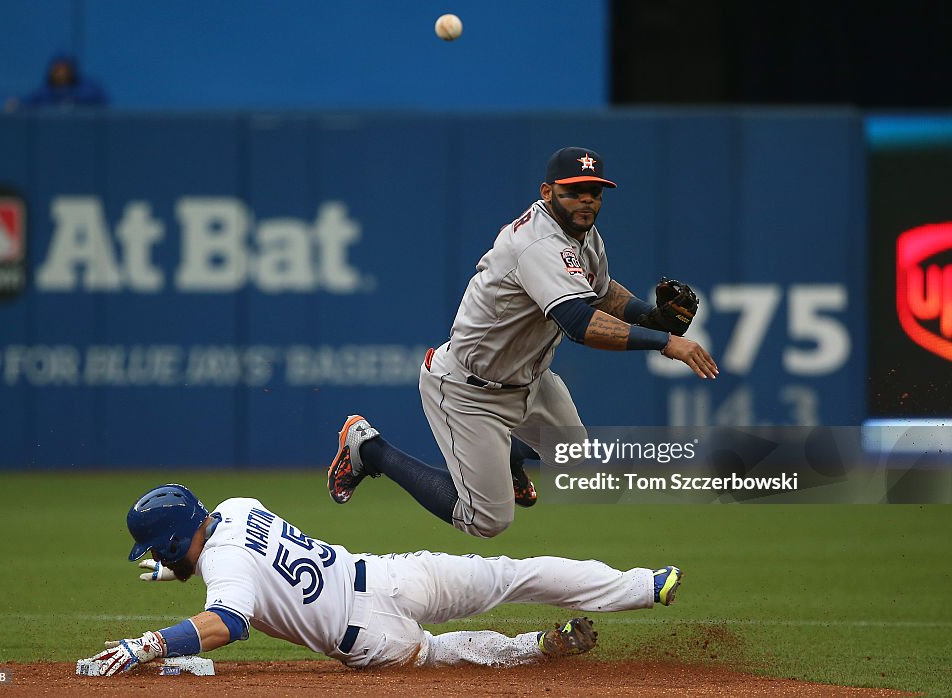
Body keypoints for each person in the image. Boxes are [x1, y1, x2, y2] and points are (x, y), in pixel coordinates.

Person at [328, 146, 719, 538]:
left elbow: (600, 293)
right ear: (547, 192)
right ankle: (369, 448)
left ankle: (510, 457)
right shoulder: (538, 243)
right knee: (485, 521)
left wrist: (650, 316)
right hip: (469, 390)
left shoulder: (583, 234)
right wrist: (664, 341)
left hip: (530, 379)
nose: (587, 199)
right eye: (575, 190)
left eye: (594, 191)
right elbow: (579, 322)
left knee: (573, 456)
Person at [80, 483, 684, 674]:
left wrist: (149, 643)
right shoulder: (235, 509)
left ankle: (532, 648)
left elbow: (230, 621)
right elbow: (230, 558)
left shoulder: (224, 571)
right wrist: (176, 568)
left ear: (168, 540)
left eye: (158, 553)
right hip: (392, 576)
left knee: (443, 656)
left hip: (366, 637)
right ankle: (642, 586)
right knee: (512, 574)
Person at [7, 52, 108, 110]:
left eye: (64, 69)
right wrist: (17, 104)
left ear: (71, 70)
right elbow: (26, 103)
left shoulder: (87, 90)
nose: (60, 73)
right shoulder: (44, 92)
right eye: (56, 69)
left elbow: (104, 107)